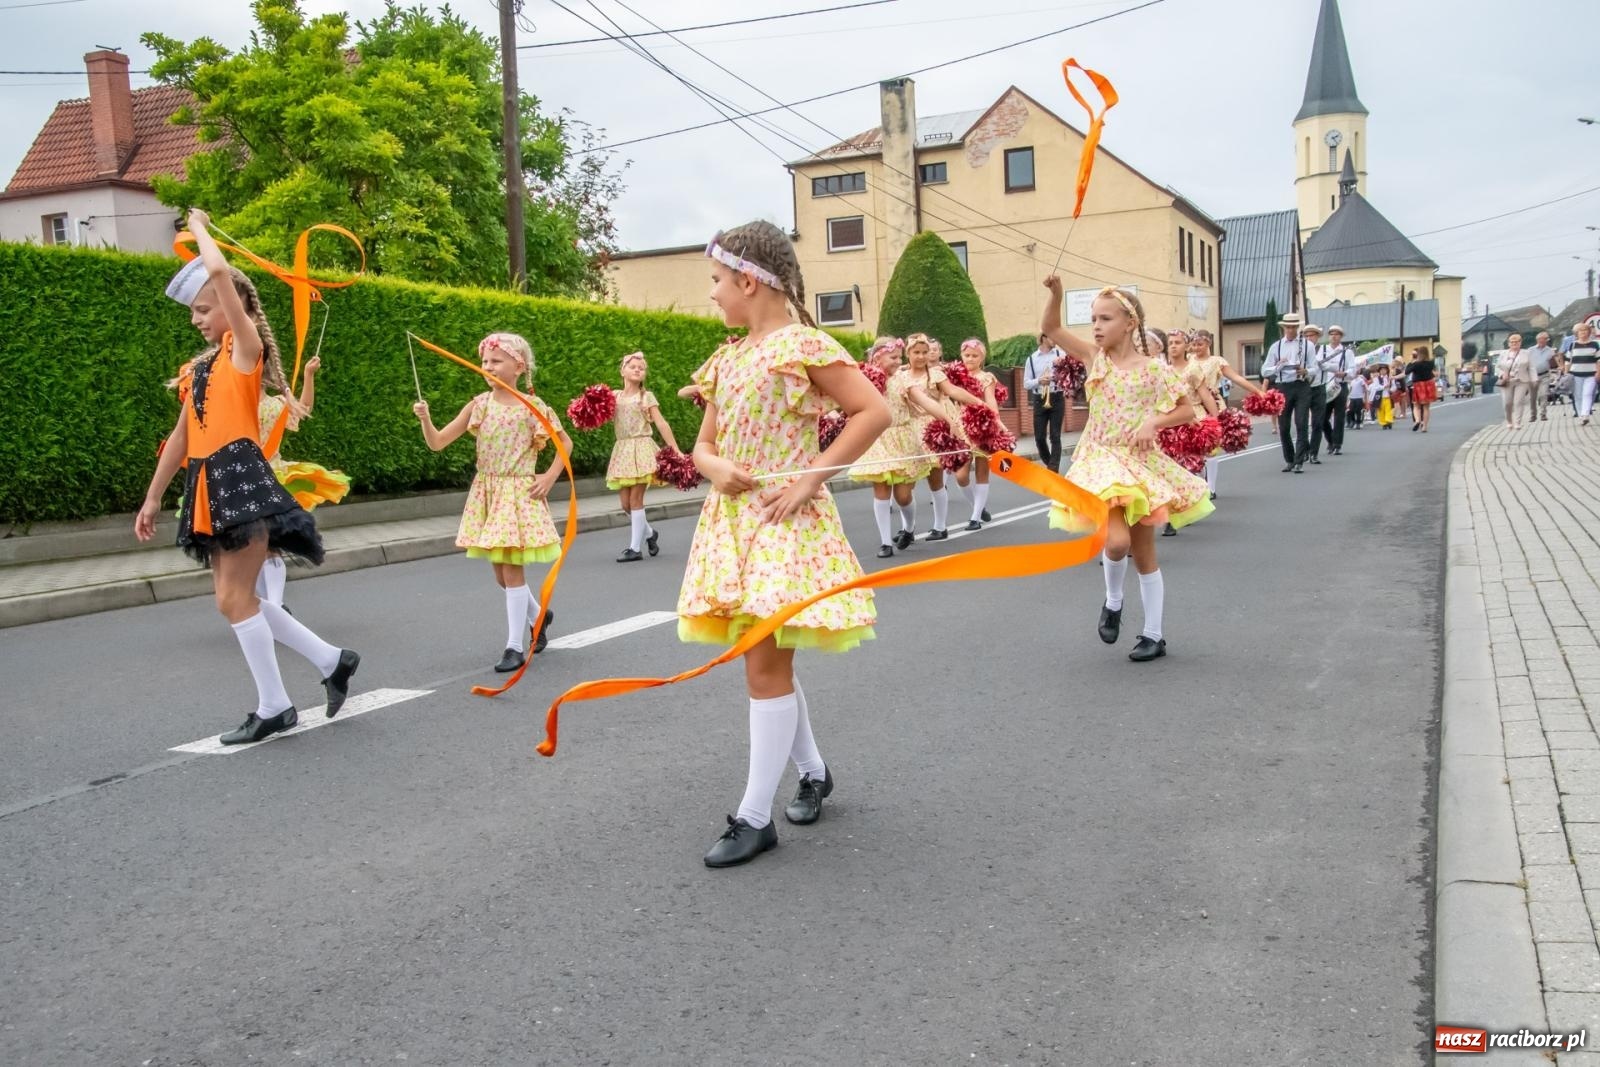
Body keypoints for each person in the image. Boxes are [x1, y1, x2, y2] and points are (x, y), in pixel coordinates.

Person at [682, 220, 890, 867]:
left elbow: (873, 411)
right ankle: (815, 771)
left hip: (784, 521)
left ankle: (752, 816)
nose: (713, 294)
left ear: (748, 279)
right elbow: (704, 445)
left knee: (762, 662)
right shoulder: (727, 358)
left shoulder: (801, 344)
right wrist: (713, 467)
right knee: (769, 661)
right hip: (733, 524)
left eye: (717, 281)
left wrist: (810, 478)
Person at [135, 208, 360, 745]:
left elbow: (220, 278)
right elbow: (182, 437)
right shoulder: (198, 370)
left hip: (239, 478)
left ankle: (276, 705)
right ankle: (332, 660)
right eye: (194, 312)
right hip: (207, 483)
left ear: (233, 308)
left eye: (204, 309)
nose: (196, 318)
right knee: (239, 599)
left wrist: (205, 235)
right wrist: (151, 499)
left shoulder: (245, 353)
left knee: (233, 601)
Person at [1040, 276, 1212, 662]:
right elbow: (1050, 328)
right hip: (1100, 457)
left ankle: (1154, 634)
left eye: (1105, 318)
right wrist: (1056, 295)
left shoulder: (1155, 369)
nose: (1097, 326)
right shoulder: (1092, 357)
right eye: (1094, 319)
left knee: (1145, 553)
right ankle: (1113, 601)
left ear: (1129, 323)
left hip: (1139, 463)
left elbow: (1185, 409)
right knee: (1116, 542)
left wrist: (1153, 423)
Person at [413, 333, 567, 672]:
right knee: (502, 574)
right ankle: (539, 616)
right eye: (485, 361)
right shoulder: (479, 404)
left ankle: (514, 646)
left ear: (519, 366)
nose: (488, 366)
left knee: (512, 571)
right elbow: (438, 442)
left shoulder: (534, 408)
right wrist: (426, 419)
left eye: (496, 361)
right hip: (488, 492)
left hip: (518, 494)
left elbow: (565, 444)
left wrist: (549, 477)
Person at [253, 354, 350, 606]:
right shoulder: (277, 405)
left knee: (252, 546)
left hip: (247, 479)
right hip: (276, 477)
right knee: (268, 545)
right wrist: (308, 375)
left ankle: (268, 605)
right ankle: (273, 603)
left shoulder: (238, 406)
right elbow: (304, 408)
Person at [848, 336, 935, 556]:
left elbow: (924, 401)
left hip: (902, 439)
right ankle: (885, 542)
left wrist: (946, 419)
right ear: (878, 357)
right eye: (893, 357)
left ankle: (909, 528)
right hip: (877, 439)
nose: (899, 361)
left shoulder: (903, 380)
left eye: (899, 357)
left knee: (903, 495)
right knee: (881, 489)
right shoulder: (863, 379)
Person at [903, 333, 985, 541]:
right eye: (917, 352)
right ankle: (907, 528)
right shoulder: (901, 377)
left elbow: (955, 391)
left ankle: (940, 526)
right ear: (908, 353)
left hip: (933, 429)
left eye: (924, 352)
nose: (921, 356)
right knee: (906, 483)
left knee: (936, 479)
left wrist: (979, 404)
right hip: (910, 432)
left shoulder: (936, 375)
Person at [605, 351, 682, 563]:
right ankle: (650, 534)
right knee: (625, 504)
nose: (637, 369)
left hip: (642, 449)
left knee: (636, 499)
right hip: (622, 451)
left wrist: (674, 449)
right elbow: (598, 415)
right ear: (622, 371)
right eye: (633, 366)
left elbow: (661, 423)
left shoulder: (645, 397)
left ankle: (634, 548)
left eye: (641, 368)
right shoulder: (614, 396)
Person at [1183, 329, 1263, 499]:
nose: (1197, 348)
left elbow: (1236, 378)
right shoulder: (1188, 361)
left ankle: (1211, 488)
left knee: (1210, 448)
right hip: (1192, 406)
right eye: (1194, 344)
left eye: (1200, 344)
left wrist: (1257, 392)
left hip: (1211, 404)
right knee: (1192, 448)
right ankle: (1199, 483)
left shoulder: (1217, 362)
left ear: (1208, 344)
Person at [952, 338, 1001, 530]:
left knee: (982, 472)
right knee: (961, 475)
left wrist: (995, 421)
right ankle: (978, 507)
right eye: (967, 355)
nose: (970, 359)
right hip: (961, 427)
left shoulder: (986, 377)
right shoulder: (955, 375)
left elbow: (990, 399)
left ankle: (975, 518)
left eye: (975, 356)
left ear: (982, 358)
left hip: (981, 425)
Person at [1260, 313, 1315, 472]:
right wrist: (1278, 366)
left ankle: (1299, 461)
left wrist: (1306, 371)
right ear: (1283, 328)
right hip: (1283, 386)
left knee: (1301, 422)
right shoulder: (1276, 346)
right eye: (1288, 327)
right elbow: (1265, 370)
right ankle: (1289, 459)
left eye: (1293, 327)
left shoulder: (1307, 346)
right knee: (1283, 426)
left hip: (1301, 385)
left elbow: (1315, 368)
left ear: (1298, 328)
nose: (1291, 330)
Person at [1023, 332, 1067, 471]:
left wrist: (1058, 378)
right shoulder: (1032, 359)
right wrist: (1039, 381)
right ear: (1044, 338)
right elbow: (1026, 383)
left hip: (1057, 396)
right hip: (1039, 399)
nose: (1056, 340)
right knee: (1040, 438)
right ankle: (1050, 464)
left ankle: (1053, 469)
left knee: (1055, 435)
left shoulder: (1061, 354)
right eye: (1053, 336)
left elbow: (1068, 375)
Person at [1317, 325, 1357, 455]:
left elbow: (1353, 370)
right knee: (1322, 417)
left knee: (1339, 416)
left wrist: (1344, 373)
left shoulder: (1347, 352)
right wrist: (1332, 368)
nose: (1334, 336)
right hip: (1325, 386)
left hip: (1341, 385)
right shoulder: (1322, 349)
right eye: (1331, 334)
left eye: (1337, 334)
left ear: (1341, 336)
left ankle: (1337, 444)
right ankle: (1330, 440)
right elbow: (1318, 365)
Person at [1497, 334, 1534, 429]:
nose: (1514, 344)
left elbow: (1531, 367)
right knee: (1507, 402)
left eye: (1516, 342)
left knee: (1519, 401)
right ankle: (1509, 420)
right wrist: (1502, 374)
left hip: (1522, 380)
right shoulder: (1503, 354)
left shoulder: (1526, 353)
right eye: (1512, 342)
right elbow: (1497, 367)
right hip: (1507, 381)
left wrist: (1534, 379)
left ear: (1520, 342)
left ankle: (1517, 422)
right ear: (1508, 343)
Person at [1567, 321, 1599, 425]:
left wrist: (1598, 372)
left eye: (1585, 330)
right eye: (1580, 331)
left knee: (1588, 393)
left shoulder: (1594, 344)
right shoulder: (1573, 345)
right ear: (1577, 333)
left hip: (1591, 374)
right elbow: (1568, 360)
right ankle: (1581, 415)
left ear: (1589, 332)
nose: (1583, 333)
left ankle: (1585, 414)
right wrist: (1566, 372)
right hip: (1576, 374)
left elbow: (1599, 360)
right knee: (1578, 395)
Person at [1527, 331, 1559, 423]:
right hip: (1532, 376)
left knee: (1543, 394)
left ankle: (1543, 414)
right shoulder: (1530, 350)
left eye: (1545, 339)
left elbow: (1554, 363)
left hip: (1545, 375)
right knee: (1532, 397)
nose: (1543, 341)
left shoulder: (1550, 351)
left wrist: (1556, 365)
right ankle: (1533, 415)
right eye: (1541, 339)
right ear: (1537, 340)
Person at [1406, 345, 1438, 433]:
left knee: (1416, 405)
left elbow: (1407, 371)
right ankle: (1425, 426)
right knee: (1426, 407)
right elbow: (1432, 373)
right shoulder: (1431, 363)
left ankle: (1417, 420)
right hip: (1428, 384)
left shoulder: (1416, 364)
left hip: (1418, 385)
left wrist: (1411, 362)